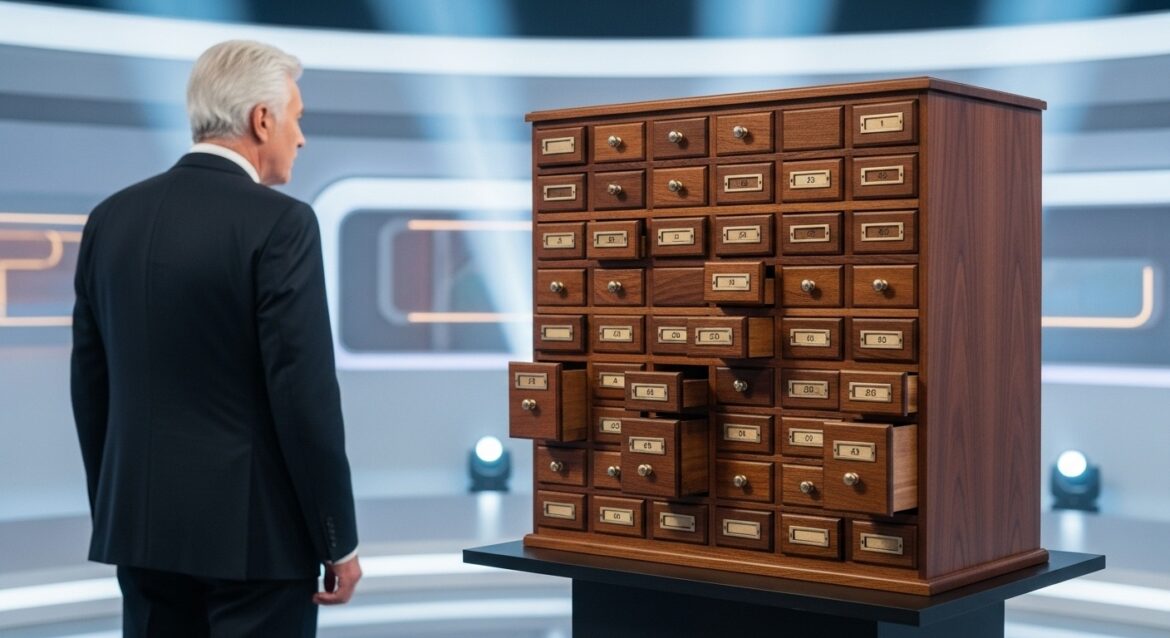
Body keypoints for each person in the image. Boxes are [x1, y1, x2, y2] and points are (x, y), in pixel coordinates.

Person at [71, 40, 360, 637]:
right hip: (256, 545)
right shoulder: (282, 223)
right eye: (297, 118)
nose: (300, 138)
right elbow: (303, 397)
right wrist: (338, 538)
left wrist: (116, 508)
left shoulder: (110, 219)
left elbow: (91, 386)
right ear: (262, 119)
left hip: (142, 534)